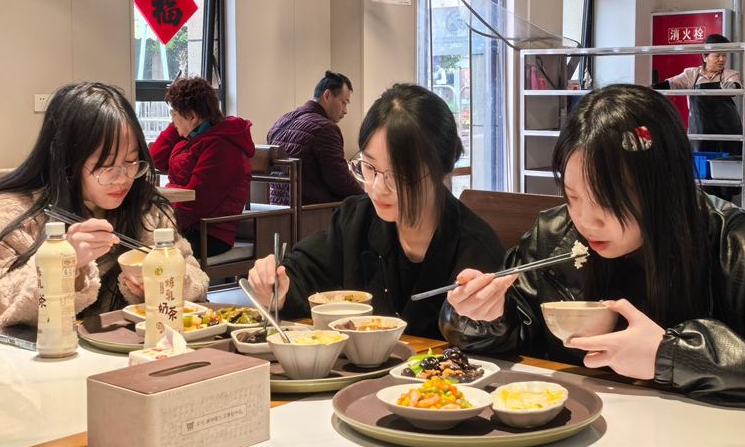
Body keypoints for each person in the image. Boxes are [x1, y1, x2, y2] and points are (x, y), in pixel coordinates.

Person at [441, 84, 745, 410]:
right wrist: (485, 316)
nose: (585, 220)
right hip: (580, 428)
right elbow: (514, 334)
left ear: (664, 188)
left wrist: (671, 355)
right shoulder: (554, 234)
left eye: (607, 200)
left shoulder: (739, 243)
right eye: (572, 196)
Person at [0, 82, 210, 340]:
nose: (123, 178)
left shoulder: (148, 211)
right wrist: (58, 267)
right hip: (19, 360)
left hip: (119, 356)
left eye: (131, 161)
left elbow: (196, 282)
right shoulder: (1, 214)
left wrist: (162, 282)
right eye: (106, 166)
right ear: (62, 158)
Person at [249, 83, 505, 340]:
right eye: (369, 167)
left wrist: (489, 321)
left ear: (440, 172)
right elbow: (302, 275)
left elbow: (502, 340)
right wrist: (275, 287)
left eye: (399, 175)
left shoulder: (476, 248)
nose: (378, 188)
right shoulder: (356, 220)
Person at [150, 77, 254, 259]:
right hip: (187, 224)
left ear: (192, 116)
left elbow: (197, 200)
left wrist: (164, 210)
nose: (172, 120)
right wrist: (179, 124)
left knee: (144, 248)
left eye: (173, 113)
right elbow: (155, 158)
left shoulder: (223, 147)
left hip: (209, 233)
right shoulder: (193, 139)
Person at [653, 33, 741, 200]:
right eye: (717, 55)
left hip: (727, 134)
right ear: (704, 57)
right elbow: (670, 84)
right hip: (700, 133)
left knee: (726, 181)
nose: (721, 59)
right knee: (702, 178)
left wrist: (730, 86)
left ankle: (726, 212)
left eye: (724, 55)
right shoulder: (692, 75)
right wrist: (647, 89)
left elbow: (736, 86)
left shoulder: (730, 74)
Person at [267, 71, 365, 205]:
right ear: (327, 95)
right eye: (344, 102)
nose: (345, 110)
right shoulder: (326, 129)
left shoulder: (280, 123)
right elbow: (340, 182)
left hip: (278, 210)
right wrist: (367, 201)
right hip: (312, 213)